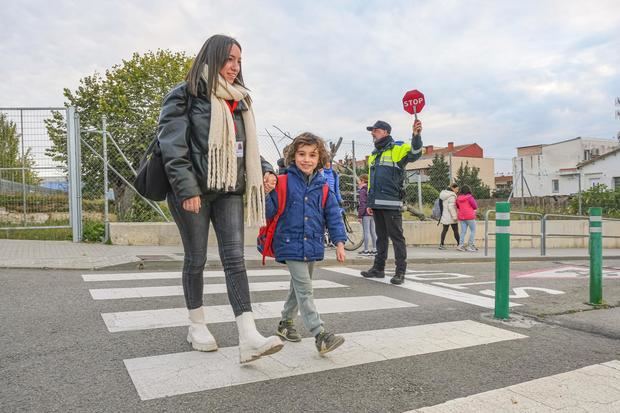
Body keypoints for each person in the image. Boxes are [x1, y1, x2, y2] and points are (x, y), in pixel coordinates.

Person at [158, 34, 283, 363]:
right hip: (194, 192)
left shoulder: (240, 100)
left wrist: (267, 169)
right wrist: (187, 189)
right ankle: (196, 325)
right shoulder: (184, 95)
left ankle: (248, 336)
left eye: (239, 61)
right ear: (212, 58)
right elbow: (173, 147)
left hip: (229, 190)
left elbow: (246, 150)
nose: (234, 67)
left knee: (234, 260)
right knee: (196, 259)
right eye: (229, 59)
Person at [265, 132, 347, 354]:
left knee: (298, 288)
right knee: (305, 289)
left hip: (312, 244)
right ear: (293, 156)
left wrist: (339, 242)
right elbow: (268, 213)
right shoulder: (282, 181)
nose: (307, 159)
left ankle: (285, 324)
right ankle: (320, 334)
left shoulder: (323, 187)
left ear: (319, 158)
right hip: (289, 243)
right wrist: (266, 193)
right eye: (301, 154)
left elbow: (333, 215)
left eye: (312, 155)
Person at [361, 120, 423, 285]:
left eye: (376, 130)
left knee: (397, 238)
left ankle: (400, 272)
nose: (373, 133)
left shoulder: (398, 148)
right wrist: (369, 203)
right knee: (381, 238)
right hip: (377, 203)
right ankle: (378, 269)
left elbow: (416, 153)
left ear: (386, 132)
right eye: (372, 131)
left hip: (392, 202)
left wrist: (416, 136)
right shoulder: (374, 154)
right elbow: (372, 183)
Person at [357, 174, 377, 255]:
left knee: (366, 232)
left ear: (362, 181)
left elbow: (362, 204)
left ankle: (366, 250)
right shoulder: (371, 189)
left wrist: (360, 215)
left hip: (365, 213)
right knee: (373, 231)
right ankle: (375, 249)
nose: (358, 183)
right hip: (373, 213)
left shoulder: (362, 191)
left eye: (359, 181)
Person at [456, 184, 478, 252]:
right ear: (469, 190)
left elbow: (457, 206)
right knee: (473, 230)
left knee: (463, 231)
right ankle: (470, 245)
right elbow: (475, 206)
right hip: (470, 216)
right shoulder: (470, 197)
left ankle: (460, 245)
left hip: (461, 216)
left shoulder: (458, 198)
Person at [438, 183, 460, 250]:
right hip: (451, 216)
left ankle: (441, 245)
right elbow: (451, 207)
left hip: (445, 215)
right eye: (457, 189)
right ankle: (459, 244)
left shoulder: (443, 194)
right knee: (455, 230)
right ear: (453, 188)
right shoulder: (452, 196)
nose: (457, 190)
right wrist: (454, 217)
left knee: (444, 230)